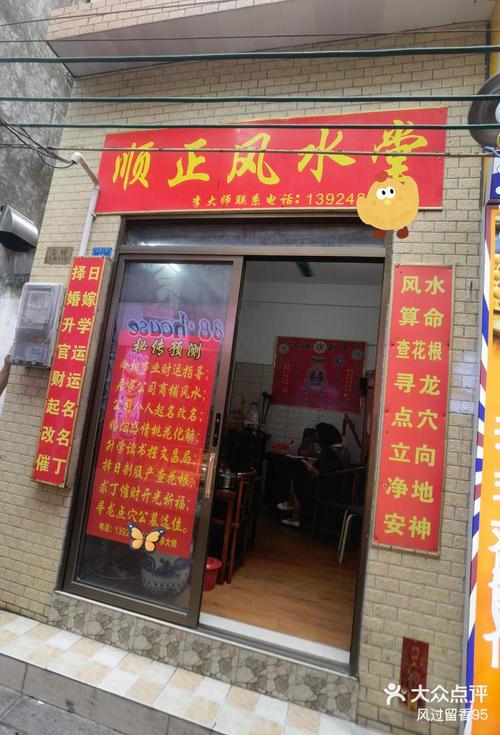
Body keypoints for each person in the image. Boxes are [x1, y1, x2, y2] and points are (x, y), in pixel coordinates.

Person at [280, 422, 350, 528]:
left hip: (327, 489)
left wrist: (306, 463)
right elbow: (327, 467)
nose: (316, 438)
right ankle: (292, 510)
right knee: (300, 473)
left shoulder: (329, 451)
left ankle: (293, 511)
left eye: (318, 435)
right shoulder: (343, 449)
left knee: (297, 471)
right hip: (337, 485)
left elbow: (316, 472)